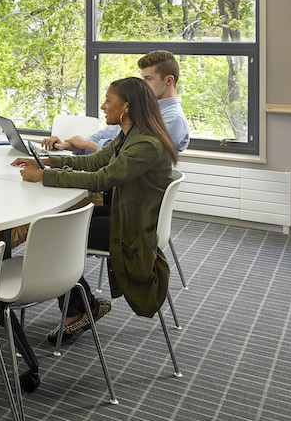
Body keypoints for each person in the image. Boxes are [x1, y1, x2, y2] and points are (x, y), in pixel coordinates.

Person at [14, 77, 177, 344]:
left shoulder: (145, 144)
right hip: (127, 214)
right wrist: (44, 161)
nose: (103, 106)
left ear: (126, 105)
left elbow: (101, 178)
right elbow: (95, 161)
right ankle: (83, 304)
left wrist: (44, 177)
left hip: (133, 228)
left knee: (51, 234)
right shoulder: (131, 135)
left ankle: (79, 309)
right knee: (55, 224)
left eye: (108, 100)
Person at [42, 50, 191, 154]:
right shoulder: (142, 108)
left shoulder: (173, 119)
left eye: (149, 79)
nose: (143, 84)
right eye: (143, 78)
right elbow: (105, 135)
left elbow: (131, 153)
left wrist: (85, 144)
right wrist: (66, 145)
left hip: (128, 189)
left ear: (169, 80)